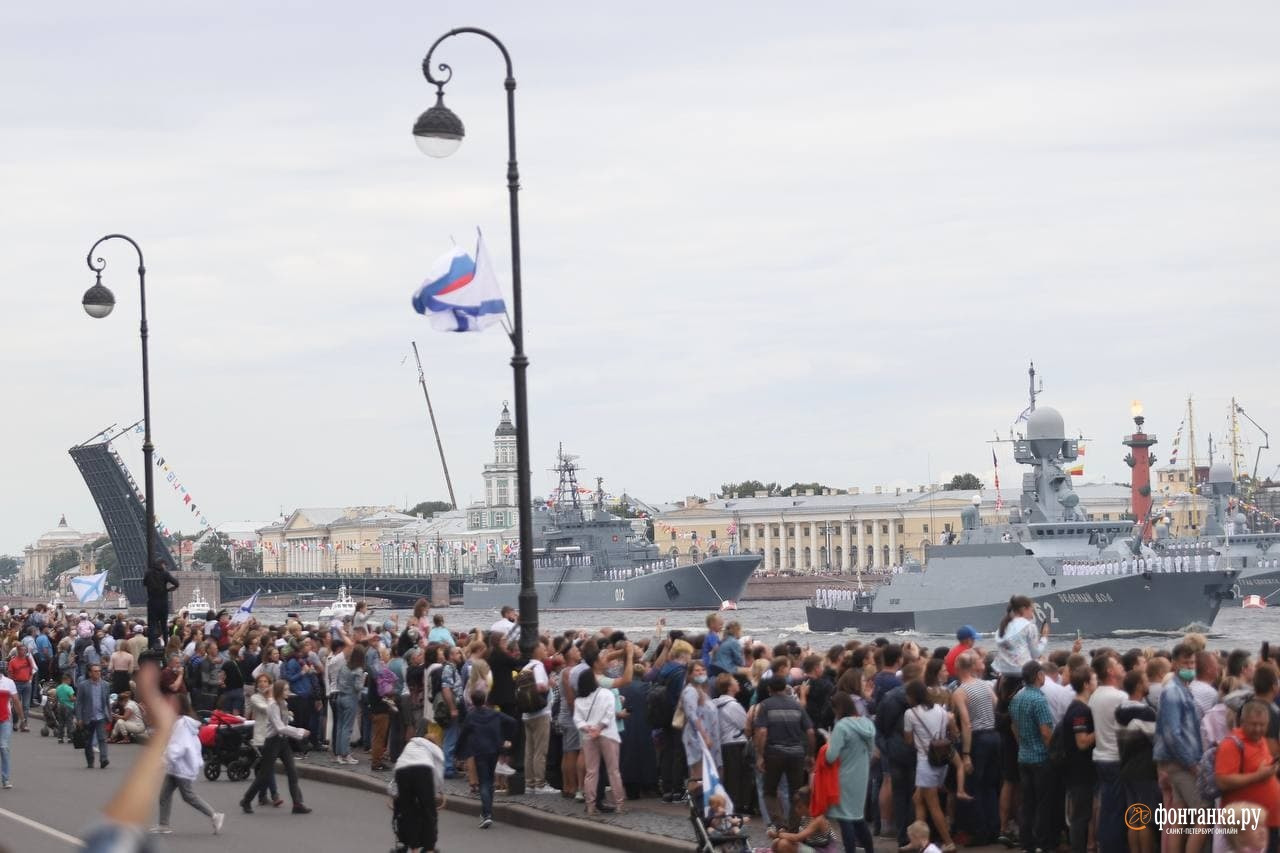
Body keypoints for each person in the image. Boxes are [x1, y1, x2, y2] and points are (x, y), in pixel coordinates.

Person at [1155, 644, 1208, 853]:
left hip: (1177, 761)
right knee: (1203, 816)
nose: (1190, 666)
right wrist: (1191, 763)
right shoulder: (1174, 692)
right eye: (1186, 663)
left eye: (1193, 663)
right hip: (1182, 763)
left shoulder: (1183, 689)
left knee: (1178, 816)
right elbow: (1172, 734)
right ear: (1175, 663)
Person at [152, 692, 224, 835]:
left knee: (188, 796)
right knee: (165, 794)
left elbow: (178, 746)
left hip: (181, 766)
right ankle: (164, 824)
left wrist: (163, 760)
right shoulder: (181, 721)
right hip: (176, 766)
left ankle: (214, 815)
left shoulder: (182, 723)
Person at [240, 675, 311, 814]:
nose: (288, 692)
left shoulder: (283, 703)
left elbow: (284, 725)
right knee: (264, 775)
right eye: (285, 690)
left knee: (292, 771)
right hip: (272, 742)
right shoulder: (272, 705)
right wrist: (300, 732)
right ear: (279, 691)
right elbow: (280, 727)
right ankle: (246, 800)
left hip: (282, 741)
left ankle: (297, 804)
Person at [1215, 701, 1280, 853]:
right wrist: (1258, 776)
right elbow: (1222, 781)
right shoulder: (1231, 744)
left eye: (1262, 725)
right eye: (1254, 724)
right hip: (1246, 828)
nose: (1258, 729)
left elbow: (1264, 771)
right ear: (1242, 722)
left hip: (1267, 822)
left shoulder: (1260, 740)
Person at [754, 674, 815, 832]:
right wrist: (810, 754)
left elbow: (761, 731)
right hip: (796, 754)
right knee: (796, 793)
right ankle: (793, 829)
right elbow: (810, 732)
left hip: (774, 753)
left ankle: (780, 823)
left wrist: (760, 755)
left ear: (769, 689)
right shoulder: (797, 706)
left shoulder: (766, 705)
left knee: (769, 791)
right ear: (785, 688)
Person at [905, 679, 958, 853]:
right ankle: (918, 841)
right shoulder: (941, 710)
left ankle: (948, 842)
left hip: (925, 763)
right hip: (941, 762)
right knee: (917, 799)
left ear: (913, 696)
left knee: (933, 805)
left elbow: (908, 740)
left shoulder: (911, 713)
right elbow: (953, 732)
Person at [457, 689, 516, 829]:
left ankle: (487, 814)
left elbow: (463, 733)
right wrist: (507, 738)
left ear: (472, 700)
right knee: (489, 780)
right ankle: (486, 813)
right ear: (485, 700)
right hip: (494, 749)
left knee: (484, 781)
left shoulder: (471, 716)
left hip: (479, 750)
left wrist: (459, 751)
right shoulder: (494, 713)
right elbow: (512, 721)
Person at [825, 690, 876, 853]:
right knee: (858, 817)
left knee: (845, 817)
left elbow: (831, 757)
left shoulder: (842, 726)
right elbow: (871, 751)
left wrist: (828, 742)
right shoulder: (867, 724)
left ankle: (850, 850)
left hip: (844, 776)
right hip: (862, 775)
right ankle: (869, 849)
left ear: (837, 708)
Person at [574, 669, 626, 815]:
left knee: (591, 772)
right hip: (608, 734)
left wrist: (588, 728)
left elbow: (577, 720)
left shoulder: (579, 699)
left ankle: (590, 805)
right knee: (613, 771)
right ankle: (619, 804)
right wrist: (599, 727)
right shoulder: (607, 693)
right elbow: (610, 714)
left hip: (589, 736)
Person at [1061, 665, 1097, 853]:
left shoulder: (1078, 707)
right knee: (1081, 814)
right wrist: (1101, 729)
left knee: (1082, 813)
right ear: (1086, 684)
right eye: (1094, 680)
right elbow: (1082, 742)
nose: (1096, 683)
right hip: (1079, 769)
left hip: (1079, 768)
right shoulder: (1080, 711)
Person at [390, 736, 446, 853]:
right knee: (429, 812)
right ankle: (429, 849)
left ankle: (413, 848)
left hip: (402, 771)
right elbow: (438, 774)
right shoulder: (435, 749)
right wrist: (438, 792)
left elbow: (398, 768)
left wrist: (394, 793)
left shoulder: (411, 744)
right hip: (422, 770)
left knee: (407, 812)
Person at [519, 640, 556, 794]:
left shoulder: (526, 667)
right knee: (540, 750)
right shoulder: (538, 666)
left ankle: (529, 783)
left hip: (527, 713)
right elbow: (541, 686)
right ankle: (540, 784)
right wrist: (550, 684)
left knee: (530, 750)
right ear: (536, 651)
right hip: (540, 713)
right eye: (543, 649)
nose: (546, 650)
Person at [681, 659, 722, 793]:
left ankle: (705, 803)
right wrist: (705, 736)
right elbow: (692, 715)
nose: (701, 673)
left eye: (703, 670)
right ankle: (696, 805)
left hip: (707, 737)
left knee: (706, 774)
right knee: (698, 776)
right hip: (697, 738)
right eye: (697, 670)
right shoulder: (690, 691)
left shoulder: (702, 691)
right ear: (690, 674)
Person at [992, 596, 1048, 683]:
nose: (1032, 614)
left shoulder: (1001, 628)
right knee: (1045, 663)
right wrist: (1044, 637)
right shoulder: (1029, 626)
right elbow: (1035, 654)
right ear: (1024, 609)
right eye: (1031, 610)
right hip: (1022, 672)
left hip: (1003, 672)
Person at [767, 785, 836, 853]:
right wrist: (783, 833)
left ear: (810, 805)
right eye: (796, 807)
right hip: (812, 846)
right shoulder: (805, 817)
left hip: (823, 850)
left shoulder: (818, 819)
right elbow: (800, 839)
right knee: (778, 843)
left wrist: (778, 834)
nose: (796, 810)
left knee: (784, 844)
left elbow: (797, 837)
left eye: (799, 807)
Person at [76, 662, 113, 769]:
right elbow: (79, 703)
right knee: (88, 742)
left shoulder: (105, 685)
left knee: (102, 738)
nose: (98, 673)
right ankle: (90, 761)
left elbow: (107, 701)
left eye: (99, 671)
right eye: (95, 671)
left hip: (101, 716)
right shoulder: (83, 685)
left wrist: (109, 714)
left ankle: (103, 759)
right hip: (88, 717)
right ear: (90, 673)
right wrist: (79, 718)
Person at [332, 644, 365, 765]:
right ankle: (346, 754)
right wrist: (364, 680)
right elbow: (358, 687)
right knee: (347, 728)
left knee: (340, 727)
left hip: (340, 696)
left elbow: (338, 680)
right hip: (350, 699)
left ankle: (339, 754)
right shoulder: (358, 670)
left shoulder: (344, 666)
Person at [143, 559, 180, 648]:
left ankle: (151, 645)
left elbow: (144, 583)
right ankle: (166, 644)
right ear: (162, 564)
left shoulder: (148, 573)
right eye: (165, 565)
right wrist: (168, 590)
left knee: (152, 624)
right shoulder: (165, 573)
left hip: (152, 601)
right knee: (164, 625)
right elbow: (176, 583)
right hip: (163, 602)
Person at [0, 661, 18, 789]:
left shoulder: (8, 682)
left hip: (5, 719)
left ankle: (5, 779)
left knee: (4, 747)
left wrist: (22, 718)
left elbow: (16, 700)